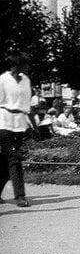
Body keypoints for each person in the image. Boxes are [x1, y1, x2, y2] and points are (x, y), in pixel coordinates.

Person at [0, 52, 34, 207]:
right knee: (15, 158)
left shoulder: (26, 80)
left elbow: (27, 104)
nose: (27, 67)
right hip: (4, 122)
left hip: (19, 124)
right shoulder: (3, 80)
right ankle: (19, 196)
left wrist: (33, 124)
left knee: (5, 162)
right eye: (25, 63)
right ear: (16, 64)